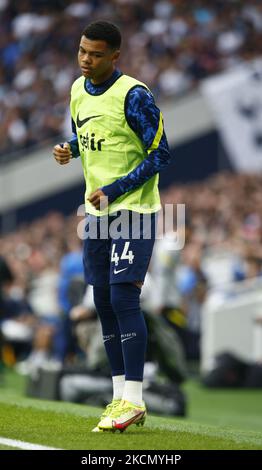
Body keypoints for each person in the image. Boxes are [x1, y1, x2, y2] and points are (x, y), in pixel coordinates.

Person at [53, 21, 171, 433]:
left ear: (115, 56)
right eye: (83, 51)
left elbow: (160, 153)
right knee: (101, 300)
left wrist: (115, 188)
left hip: (133, 211)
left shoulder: (134, 95)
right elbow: (85, 132)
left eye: (96, 54)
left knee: (123, 298)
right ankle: (119, 397)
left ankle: (135, 399)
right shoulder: (75, 90)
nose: (86, 59)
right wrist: (70, 147)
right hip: (98, 216)